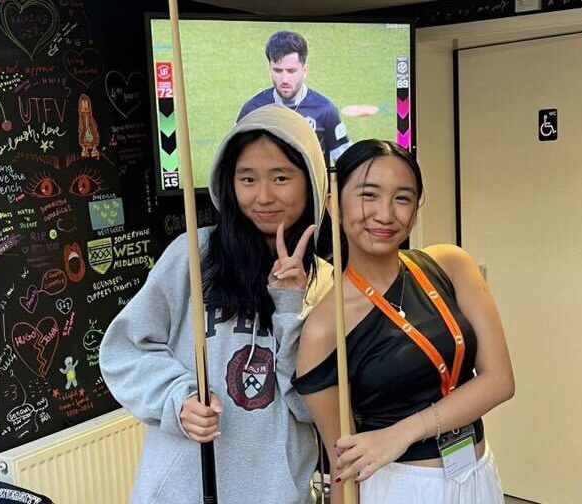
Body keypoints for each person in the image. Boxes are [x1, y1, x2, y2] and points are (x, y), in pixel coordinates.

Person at [99, 105, 331, 504]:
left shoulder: (326, 284)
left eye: (281, 178)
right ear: (229, 183)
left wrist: (290, 307)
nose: (263, 196)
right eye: (248, 179)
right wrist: (179, 400)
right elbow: (124, 349)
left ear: (310, 184)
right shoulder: (194, 255)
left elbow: (313, 408)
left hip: (276, 495)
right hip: (182, 492)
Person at [293, 140, 515, 503]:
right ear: (334, 203)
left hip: (477, 472)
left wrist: (401, 433)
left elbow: (500, 381)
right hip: (400, 487)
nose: (385, 214)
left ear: (415, 209)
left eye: (402, 198)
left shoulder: (451, 264)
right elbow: (343, 464)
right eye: (368, 195)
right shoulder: (325, 326)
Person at [237, 30, 351, 168]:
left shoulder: (326, 110)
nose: (284, 79)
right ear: (269, 69)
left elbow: (347, 163)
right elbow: (234, 161)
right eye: (278, 70)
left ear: (305, 71)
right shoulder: (253, 110)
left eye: (291, 71)